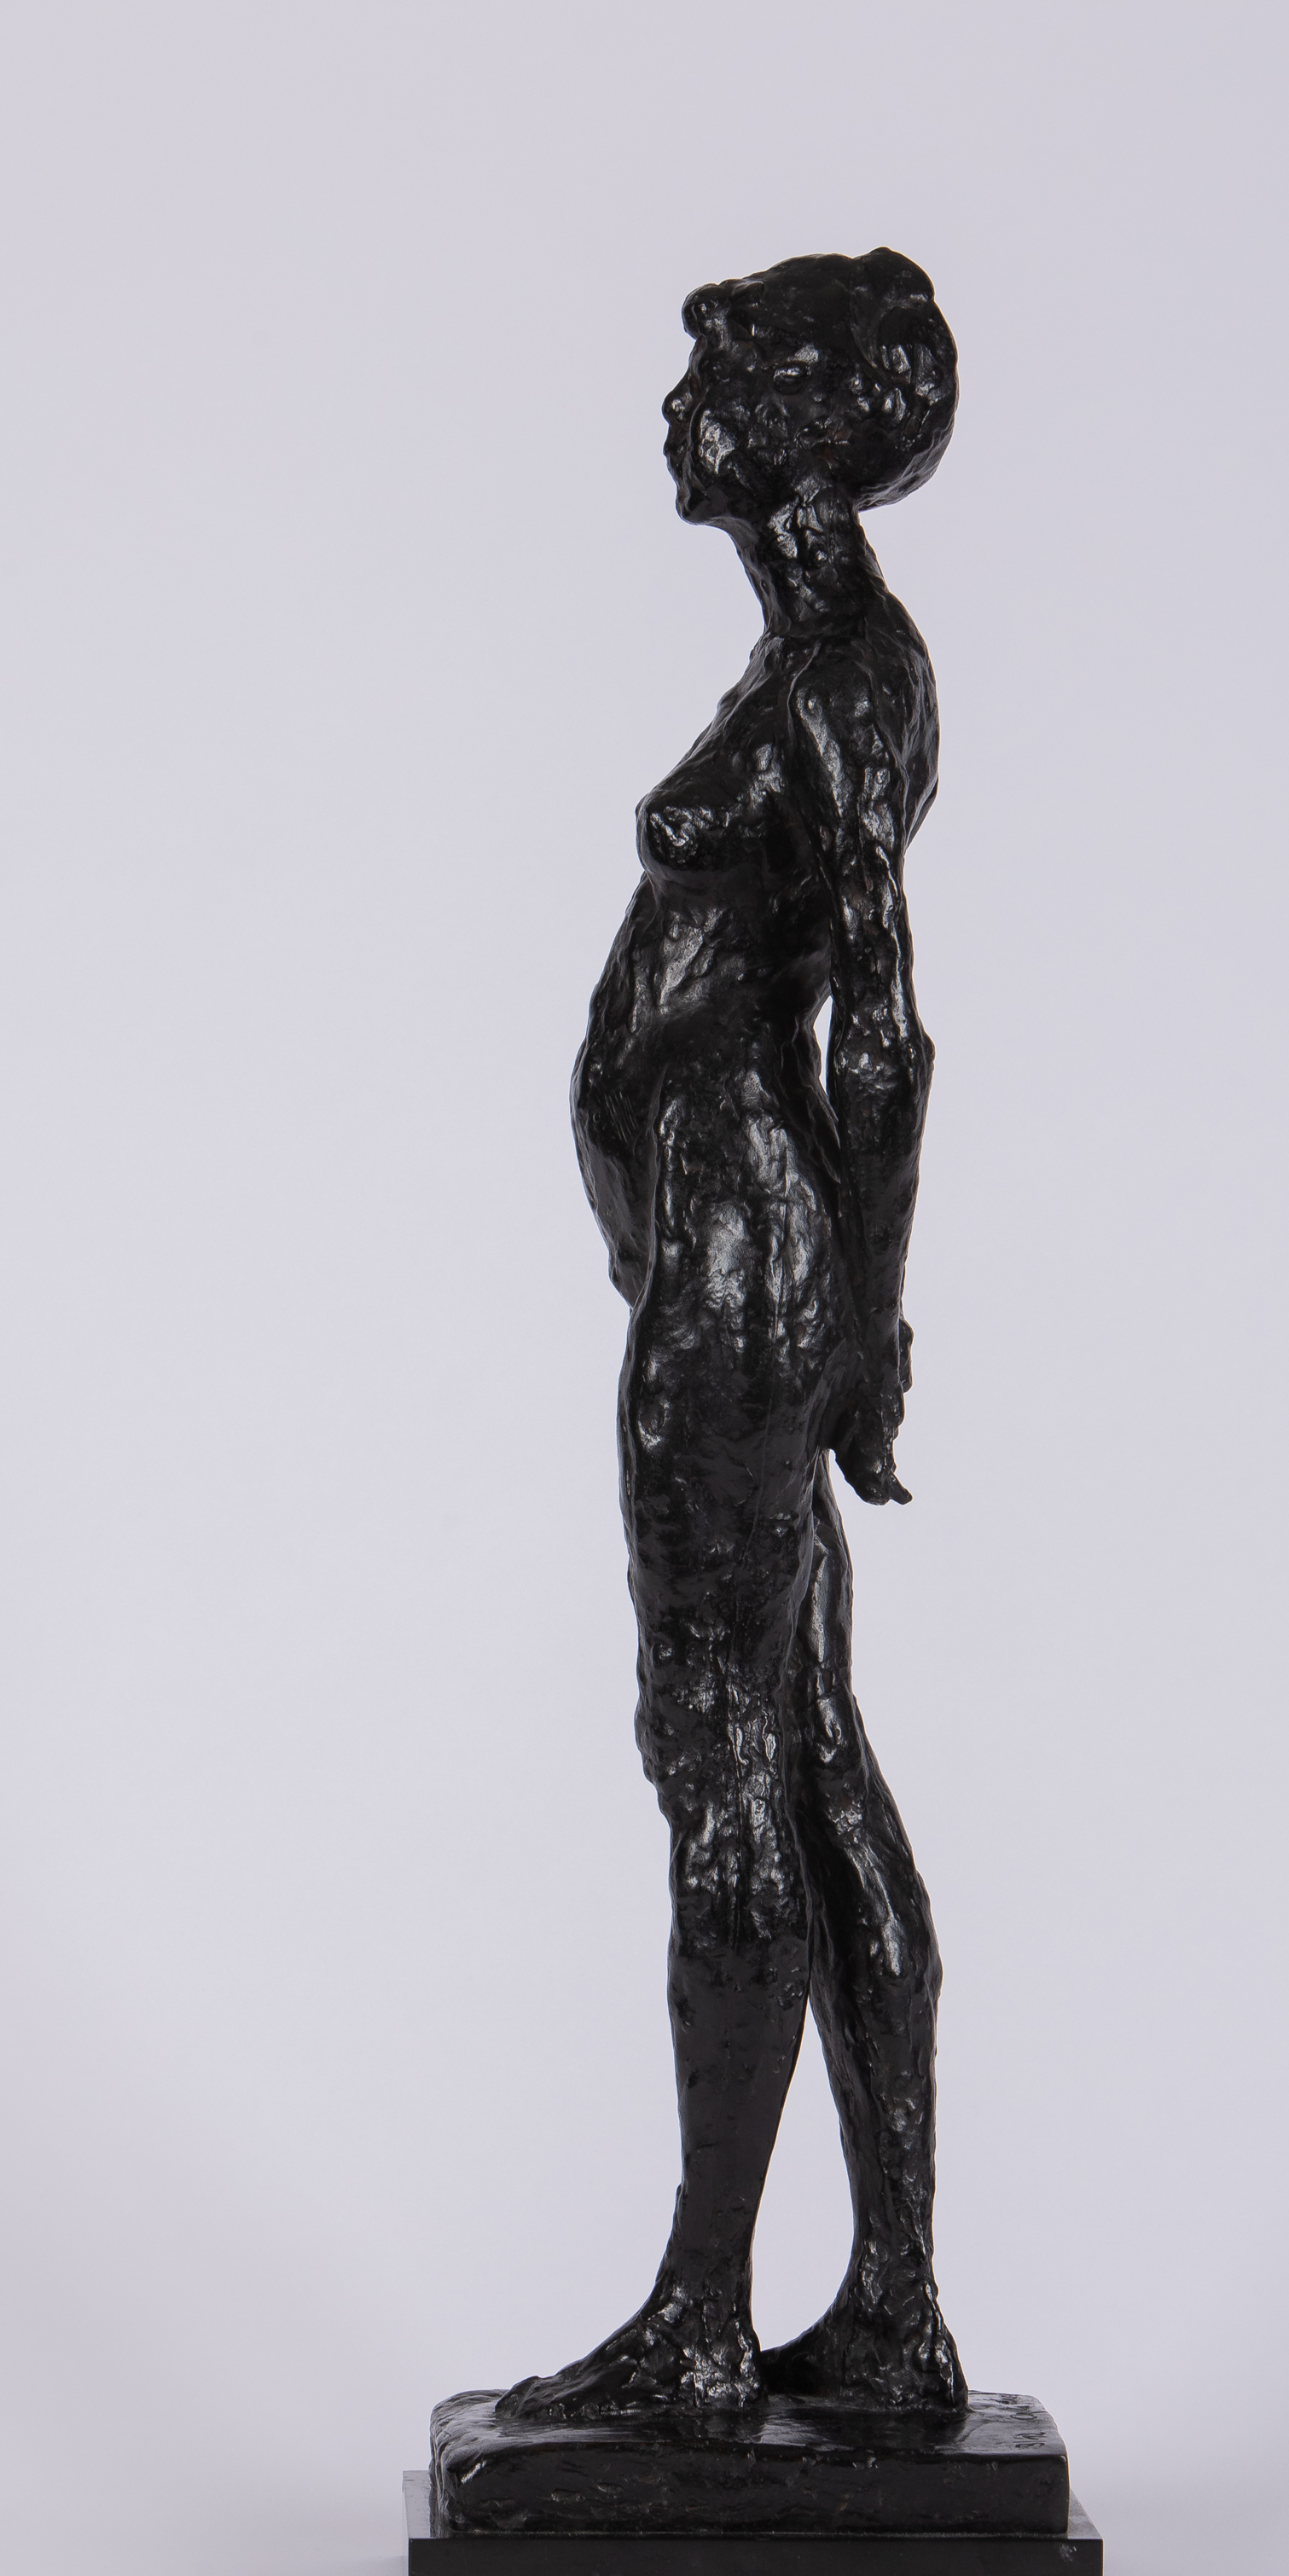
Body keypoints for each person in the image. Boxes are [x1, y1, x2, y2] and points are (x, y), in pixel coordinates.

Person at [502, 252, 965, 2419]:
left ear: (795, 424)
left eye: (713, 372)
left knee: (717, 1754)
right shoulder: (806, 662)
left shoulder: (844, 677)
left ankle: (702, 2322)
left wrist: (862, 1321)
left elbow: (881, 1025)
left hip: (740, 1263)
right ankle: (890, 2311)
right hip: (727, 1251)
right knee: (803, 1745)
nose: (674, 402)